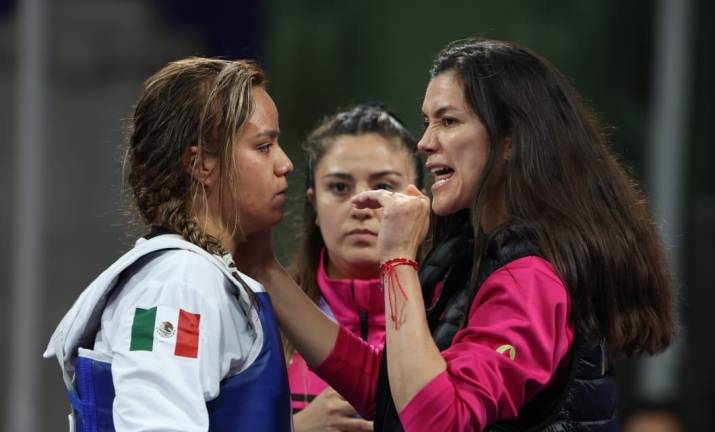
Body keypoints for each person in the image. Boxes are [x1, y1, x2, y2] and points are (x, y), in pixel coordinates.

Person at [240, 39, 675, 431]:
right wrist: (266, 270)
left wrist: (397, 260)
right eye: (428, 121)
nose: (426, 141)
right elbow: (391, 390)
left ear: (510, 141)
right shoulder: (472, 257)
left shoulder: (532, 277)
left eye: (448, 121)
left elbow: (437, 421)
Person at [44, 57, 294, 431]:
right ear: (201, 165)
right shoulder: (177, 285)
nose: (285, 163)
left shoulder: (198, 278)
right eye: (263, 146)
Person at [287, 104, 422, 431]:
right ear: (314, 205)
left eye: (385, 187)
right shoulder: (264, 320)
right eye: (339, 187)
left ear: (418, 201)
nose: (362, 204)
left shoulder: (455, 317)